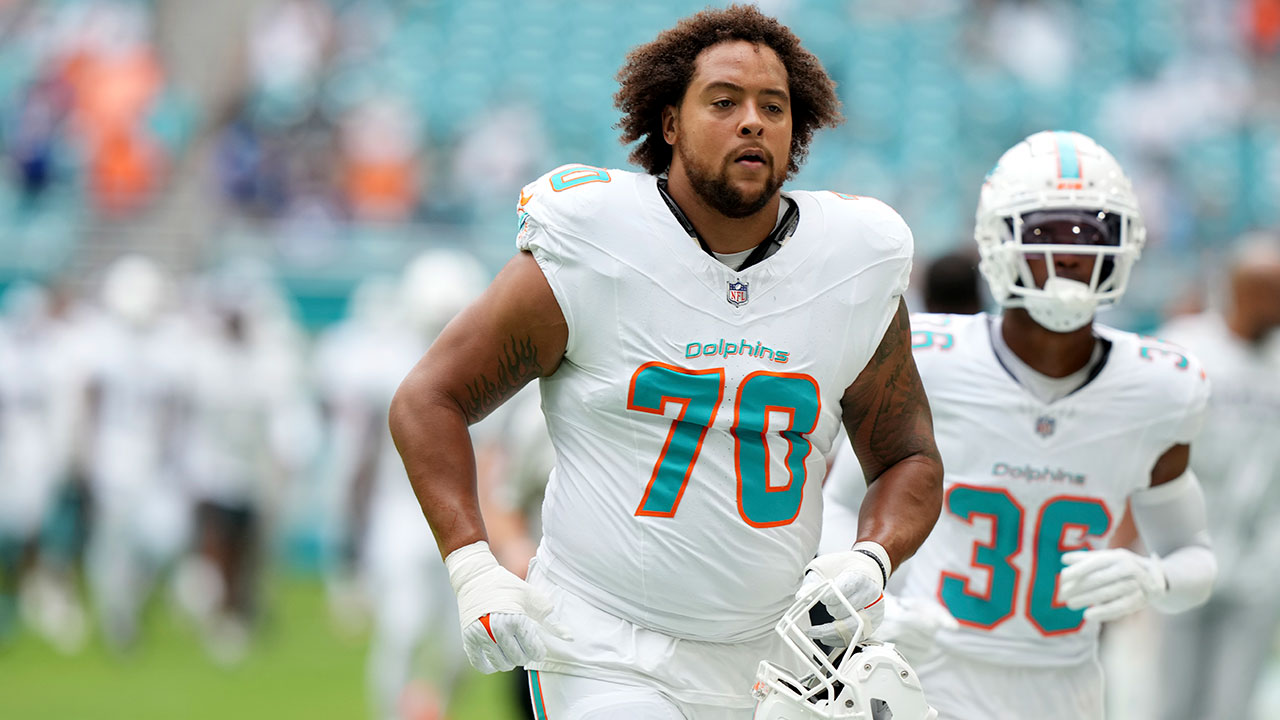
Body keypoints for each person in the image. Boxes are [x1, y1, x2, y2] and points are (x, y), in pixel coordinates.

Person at [388, 5, 944, 718]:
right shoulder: (596, 242)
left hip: (773, 654)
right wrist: (472, 565)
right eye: (724, 101)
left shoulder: (850, 262)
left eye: (773, 106)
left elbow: (908, 456)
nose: (752, 121)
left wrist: (873, 556)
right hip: (603, 643)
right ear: (670, 122)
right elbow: (428, 398)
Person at [820, 130, 1217, 719]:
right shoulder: (930, 358)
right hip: (925, 670)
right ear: (999, 241)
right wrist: (874, 593)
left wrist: (1154, 578)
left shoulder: (1159, 387)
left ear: (1125, 242)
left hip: (1066, 689)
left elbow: (1197, 557)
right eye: (1044, 232)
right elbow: (835, 504)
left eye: (1091, 232)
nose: (1071, 253)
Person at [1149, 233, 1280, 720]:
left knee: (1233, 705)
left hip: (1259, 560)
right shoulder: (1185, 349)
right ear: (1241, 290)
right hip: (1184, 548)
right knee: (1173, 701)